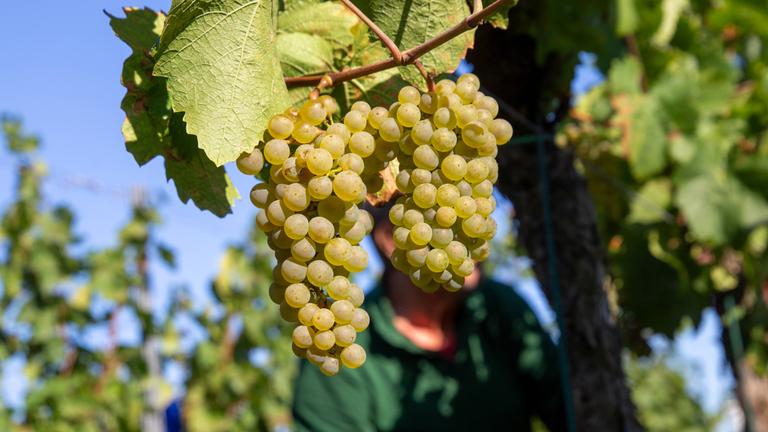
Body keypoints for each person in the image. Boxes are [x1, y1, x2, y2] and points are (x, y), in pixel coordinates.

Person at [292, 202, 566, 431]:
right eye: (449, 220)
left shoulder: (497, 307)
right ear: (392, 239)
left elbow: (572, 410)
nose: (475, 233)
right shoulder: (341, 345)